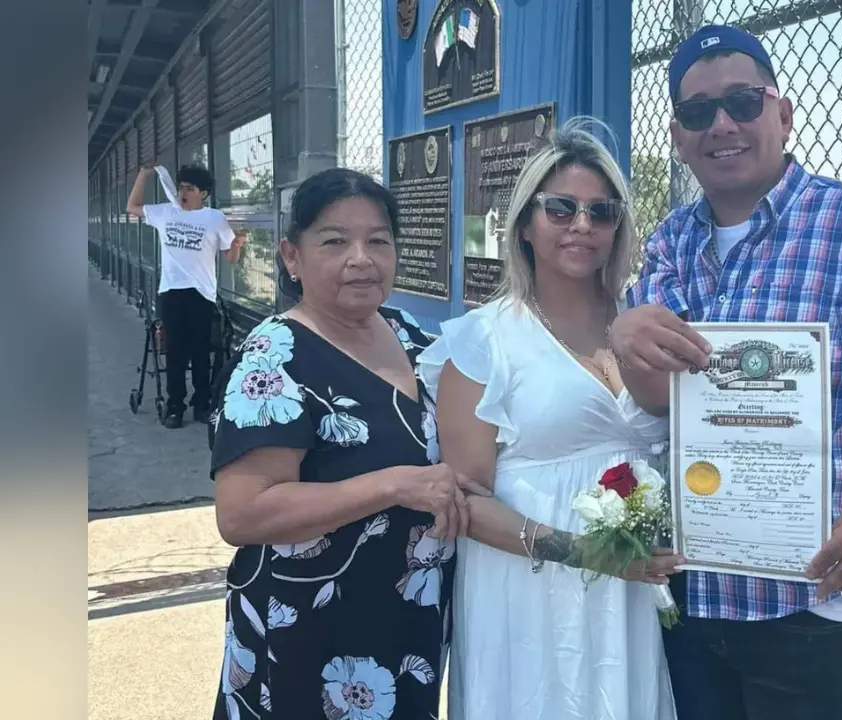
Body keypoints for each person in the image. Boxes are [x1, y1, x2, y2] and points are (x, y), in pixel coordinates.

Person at [610, 25, 842, 720]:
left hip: (811, 598)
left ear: (782, 113)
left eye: (742, 102)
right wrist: (625, 336)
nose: (721, 124)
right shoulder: (670, 241)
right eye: (698, 113)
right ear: (677, 135)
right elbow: (656, 399)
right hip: (693, 587)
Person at [418, 117, 681, 720]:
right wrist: (582, 551)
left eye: (602, 211)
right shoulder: (484, 341)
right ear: (525, 225)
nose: (582, 225)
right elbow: (464, 499)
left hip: (629, 589)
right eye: (560, 208)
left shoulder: (644, 325)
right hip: (529, 590)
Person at [207, 167, 488, 720]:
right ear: (292, 256)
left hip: (405, 625)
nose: (362, 258)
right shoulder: (275, 358)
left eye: (378, 241)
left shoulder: (415, 338)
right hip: (308, 632)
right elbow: (241, 515)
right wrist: (393, 485)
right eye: (335, 241)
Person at [127, 164, 247, 429]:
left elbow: (230, 258)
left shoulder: (214, 218)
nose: (183, 192)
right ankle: (175, 406)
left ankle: (202, 403)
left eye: (189, 188)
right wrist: (144, 176)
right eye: (180, 187)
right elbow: (132, 207)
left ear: (203, 193)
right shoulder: (165, 213)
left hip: (202, 294)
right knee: (175, 353)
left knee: (201, 352)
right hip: (171, 291)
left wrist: (236, 245)